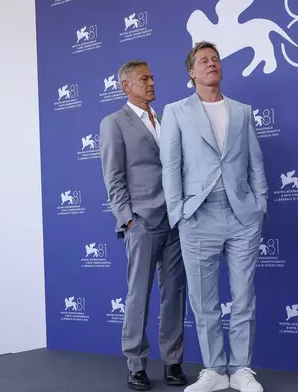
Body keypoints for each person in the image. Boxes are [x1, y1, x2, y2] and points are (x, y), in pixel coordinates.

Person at [159, 41, 268, 392]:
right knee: (203, 301)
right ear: (191, 73)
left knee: (243, 296)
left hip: (241, 215)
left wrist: (259, 204)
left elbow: (256, 162)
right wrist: (178, 212)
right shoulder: (176, 111)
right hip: (197, 215)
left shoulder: (241, 111)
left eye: (216, 59)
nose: (211, 64)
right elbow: (171, 164)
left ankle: (240, 369)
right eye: (203, 61)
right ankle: (215, 371)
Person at [99, 60, 188, 391]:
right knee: (139, 294)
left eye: (152, 77)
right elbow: (113, 176)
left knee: (175, 293)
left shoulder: (163, 120)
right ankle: (135, 364)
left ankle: (173, 362)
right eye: (144, 78)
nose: (151, 83)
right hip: (142, 222)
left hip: (174, 220)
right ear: (126, 86)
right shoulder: (113, 123)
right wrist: (127, 219)